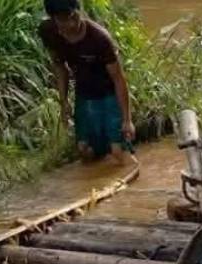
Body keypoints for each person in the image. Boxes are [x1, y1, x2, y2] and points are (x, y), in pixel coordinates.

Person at [39, 0, 137, 165]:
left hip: (109, 94)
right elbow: (59, 67)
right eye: (62, 20)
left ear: (79, 10)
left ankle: (129, 171)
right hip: (83, 94)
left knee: (117, 152)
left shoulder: (100, 38)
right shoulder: (48, 32)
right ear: (53, 18)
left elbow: (118, 79)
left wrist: (127, 120)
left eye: (72, 16)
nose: (70, 24)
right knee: (84, 150)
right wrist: (64, 102)